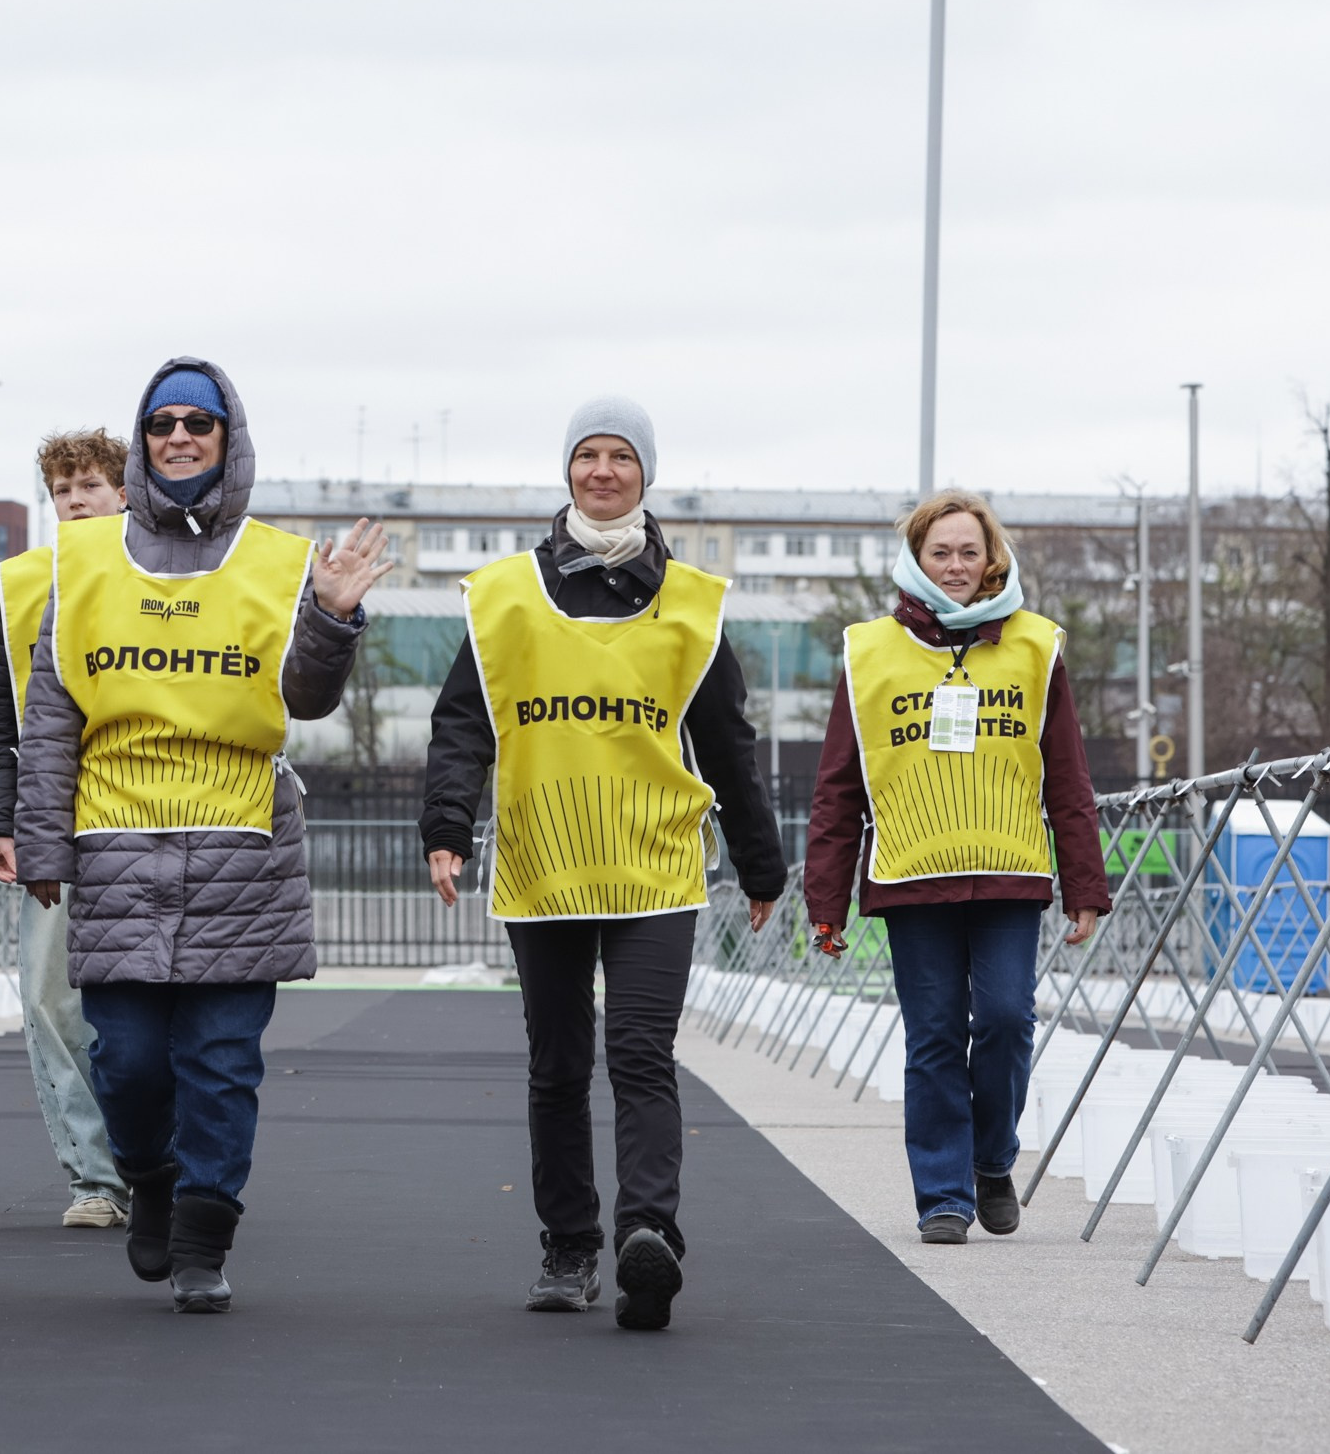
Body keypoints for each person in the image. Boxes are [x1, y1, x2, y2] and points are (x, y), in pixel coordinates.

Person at [16, 359, 392, 1313]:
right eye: (162, 423)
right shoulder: (87, 559)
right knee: (128, 1060)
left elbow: (304, 696)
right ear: (142, 441)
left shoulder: (277, 560)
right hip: (117, 847)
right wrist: (44, 844)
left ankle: (204, 1232)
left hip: (241, 850)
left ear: (230, 439)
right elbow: (54, 711)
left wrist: (332, 617)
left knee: (222, 1063)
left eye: (200, 423)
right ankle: (146, 1176)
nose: (180, 436)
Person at [420, 399, 783, 1330]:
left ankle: (644, 1236)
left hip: (655, 866)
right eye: (587, 454)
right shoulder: (502, 596)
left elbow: (728, 746)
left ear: (645, 474)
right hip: (545, 867)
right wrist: (447, 824)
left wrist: (760, 865)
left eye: (622, 455)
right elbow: (465, 720)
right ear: (567, 471)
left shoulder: (692, 605)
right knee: (556, 1064)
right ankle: (569, 1244)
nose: (603, 470)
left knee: (638, 1051)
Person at [802, 489, 1108, 1244]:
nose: (957, 564)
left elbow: (1067, 775)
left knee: (1005, 1019)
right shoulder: (868, 651)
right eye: (941, 550)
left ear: (992, 555)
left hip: (1009, 872)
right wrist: (826, 900)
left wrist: (1085, 886)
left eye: (970, 549)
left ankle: (992, 1160)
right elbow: (839, 784)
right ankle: (943, 1192)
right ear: (916, 558)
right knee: (934, 1034)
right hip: (911, 874)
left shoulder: (1038, 645)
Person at [0, 429, 132, 1230]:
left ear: (124, 493)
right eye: (62, 489)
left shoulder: (157, 576)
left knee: (142, 1004)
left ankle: (154, 1158)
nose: (74, 500)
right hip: (49, 824)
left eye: (90, 486)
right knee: (50, 999)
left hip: (141, 817)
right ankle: (95, 1176)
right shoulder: (22, 585)